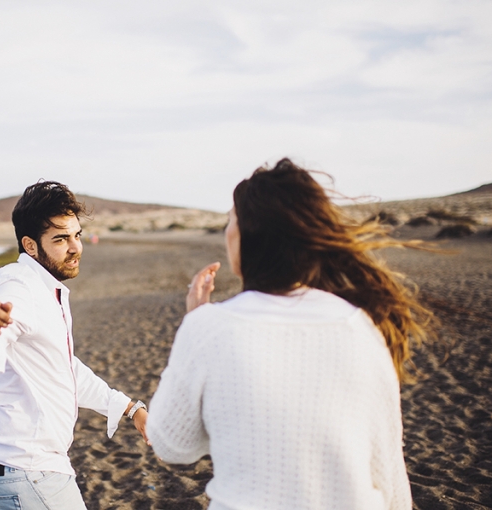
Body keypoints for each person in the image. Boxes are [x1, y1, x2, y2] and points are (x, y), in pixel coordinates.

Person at [146, 159, 433, 510]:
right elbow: (389, 475)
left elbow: (172, 444)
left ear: (244, 236)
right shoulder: (359, 326)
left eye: (230, 221)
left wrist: (195, 322)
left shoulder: (208, 327)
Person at [0, 181, 149, 510]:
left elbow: (63, 369)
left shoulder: (45, 288)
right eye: (60, 239)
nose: (75, 248)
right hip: (22, 472)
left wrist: (128, 407)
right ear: (30, 244)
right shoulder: (19, 284)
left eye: (76, 235)